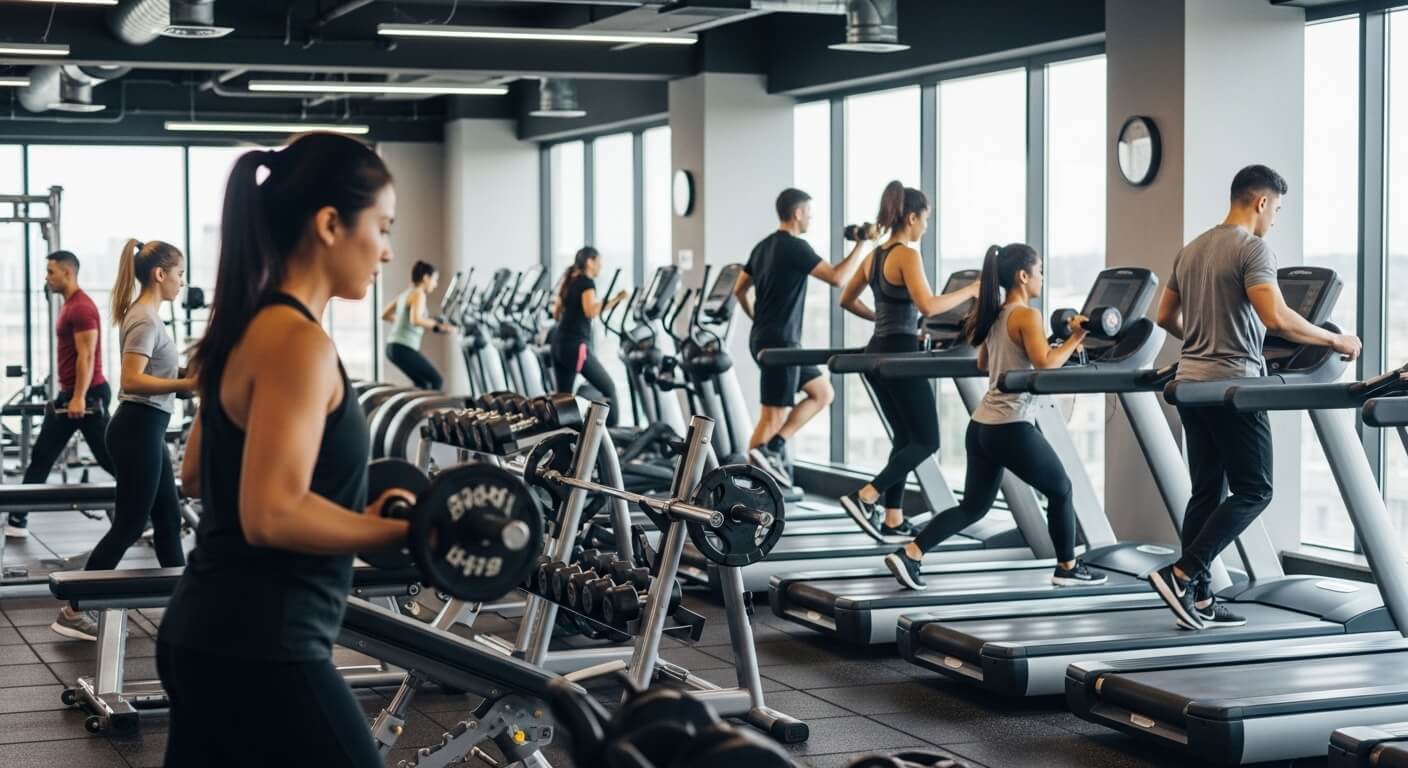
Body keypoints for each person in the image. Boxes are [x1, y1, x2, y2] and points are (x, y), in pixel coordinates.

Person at [157, 133, 411, 767]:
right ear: (329, 224)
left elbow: (195, 476)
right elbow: (270, 513)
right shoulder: (297, 343)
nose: (386, 249)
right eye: (381, 226)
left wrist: (354, 503)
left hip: (208, 631)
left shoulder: (247, 327)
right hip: (264, 646)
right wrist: (392, 533)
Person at [1149, 164, 1361, 630]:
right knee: (1255, 489)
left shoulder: (1192, 249)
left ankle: (1200, 599)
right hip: (1233, 386)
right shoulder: (1253, 249)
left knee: (1206, 491)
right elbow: (1277, 319)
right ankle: (1181, 573)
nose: (1275, 220)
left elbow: (1164, 316)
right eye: (1277, 209)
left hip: (1191, 385)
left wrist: (1202, 341)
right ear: (1261, 202)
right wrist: (1335, 341)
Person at [880, 242, 1107, 591]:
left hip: (982, 425)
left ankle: (911, 553)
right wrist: (1078, 335)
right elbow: (1045, 364)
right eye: (1040, 271)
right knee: (1061, 489)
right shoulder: (1026, 315)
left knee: (973, 507)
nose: (1042, 278)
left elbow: (985, 364)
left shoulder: (996, 313)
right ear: (1023, 275)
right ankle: (1067, 566)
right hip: (1010, 426)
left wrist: (1042, 345)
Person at [51, 239, 199, 641]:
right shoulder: (146, 318)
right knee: (131, 524)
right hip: (137, 427)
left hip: (146, 425)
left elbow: (156, 379)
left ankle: (184, 613)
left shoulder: (150, 316)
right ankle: (72, 608)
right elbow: (132, 381)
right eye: (180, 274)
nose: (182, 283)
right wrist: (187, 380)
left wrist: (187, 379)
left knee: (168, 521)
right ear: (160, 274)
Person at [836, 181, 979, 543]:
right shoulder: (906, 254)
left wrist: (883, 322)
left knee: (904, 437)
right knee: (928, 440)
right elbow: (929, 305)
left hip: (877, 353)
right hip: (901, 356)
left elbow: (846, 300)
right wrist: (972, 290)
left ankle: (893, 518)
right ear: (912, 217)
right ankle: (865, 495)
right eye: (925, 220)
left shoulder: (874, 256)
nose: (926, 227)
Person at [734, 188, 866, 485]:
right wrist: (861, 246)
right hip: (781, 344)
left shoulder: (762, 247)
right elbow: (837, 278)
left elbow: (739, 289)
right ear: (796, 213)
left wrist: (757, 316)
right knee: (772, 417)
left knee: (822, 393)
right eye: (809, 212)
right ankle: (744, 486)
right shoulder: (796, 247)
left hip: (771, 339)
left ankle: (774, 447)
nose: (810, 218)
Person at [4, 251, 117, 539]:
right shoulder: (70, 306)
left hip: (87, 394)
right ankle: (17, 519)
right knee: (43, 457)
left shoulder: (81, 308)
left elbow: (87, 355)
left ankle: (149, 511)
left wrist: (78, 396)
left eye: (51, 272)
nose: (47, 277)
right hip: (76, 392)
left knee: (110, 459)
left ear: (67, 273)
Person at [551, 246, 626, 427]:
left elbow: (556, 313)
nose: (601, 266)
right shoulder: (586, 282)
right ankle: (613, 436)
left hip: (559, 343)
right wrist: (616, 299)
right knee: (609, 388)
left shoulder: (570, 280)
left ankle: (562, 442)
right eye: (598, 262)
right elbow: (591, 311)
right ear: (590, 262)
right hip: (576, 346)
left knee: (563, 398)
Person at [381, 259, 449, 390]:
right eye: (434, 280)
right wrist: (438, 326)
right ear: (425, 278)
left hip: (392, 347)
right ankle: (432, 410)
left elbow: (384, 315)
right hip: (403, 347)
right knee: (436, 380)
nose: (435, 284)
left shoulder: (406, 293)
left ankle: (421, 410)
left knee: (422, 384)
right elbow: (416, 320)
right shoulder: (419, 294)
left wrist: (401, 322)